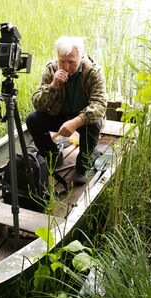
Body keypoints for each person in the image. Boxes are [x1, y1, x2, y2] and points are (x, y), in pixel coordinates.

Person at [26, 36, 107, 186]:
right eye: (62, 61)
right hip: (60, 115)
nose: (66, 67)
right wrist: (53, 86)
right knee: (32, 119)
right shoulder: (51, 69)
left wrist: (76, 122)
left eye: (71, 62)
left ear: (81, 57)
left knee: (94, 124)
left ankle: (82, 166)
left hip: (84, 118)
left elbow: (100, 105)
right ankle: (53, 154)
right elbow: (38, 104)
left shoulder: (93, 72)